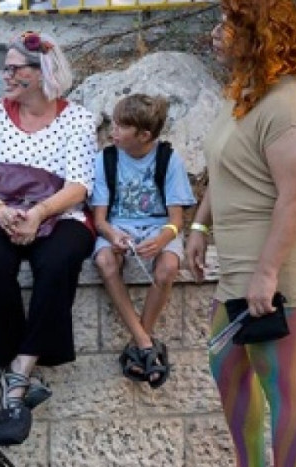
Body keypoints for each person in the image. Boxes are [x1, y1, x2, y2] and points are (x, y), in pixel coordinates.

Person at [185, 1, 296, 467]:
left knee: (281, 384)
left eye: (229, 23)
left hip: (278, 268)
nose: (216, 32)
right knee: (226, 368)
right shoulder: (246, 95)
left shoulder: (290, 106)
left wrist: (267, 275)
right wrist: (199, 227)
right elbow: (224, 169)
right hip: (239, 266)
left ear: (261, 32)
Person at [0, 30, 96, 409]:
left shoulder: (78, 119)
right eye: (6, 68)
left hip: (56, 211)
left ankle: (22, 364)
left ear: (41, 72)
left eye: (14, 69)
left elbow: (79, 185)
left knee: (59, 260)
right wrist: (2, 212)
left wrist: (38, 213)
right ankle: (9, 360)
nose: (6, 76)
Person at [90, 94, 195, 389]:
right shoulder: (105, 160)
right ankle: (147, 345)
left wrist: (162, 240)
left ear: (144, 135)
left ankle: (139, 344)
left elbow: (176, 221)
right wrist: (113, 236)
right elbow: (100, 220)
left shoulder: (168, 159)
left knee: (168, 268)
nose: (113, 131)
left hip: (159, 227)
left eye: (122, 127)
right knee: (105, 261)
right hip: (118, 227)